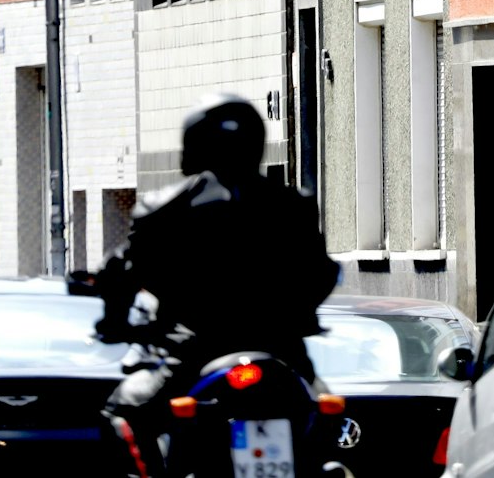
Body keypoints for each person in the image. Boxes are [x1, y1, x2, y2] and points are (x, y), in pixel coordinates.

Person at [94, 93, 339, 478]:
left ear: (193, 145)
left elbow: (124, 272)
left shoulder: (163, 207)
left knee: (124, 410)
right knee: (325, 408)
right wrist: (299, 314)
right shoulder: (293, 204)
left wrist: (114, 323)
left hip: (194, 350)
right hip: (283, 350)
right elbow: (322, 272)